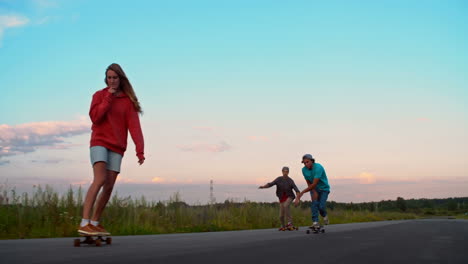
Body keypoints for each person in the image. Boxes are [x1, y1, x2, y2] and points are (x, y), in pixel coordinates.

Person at [78, 63, 145, 236]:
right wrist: (108, 97)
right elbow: (95, 118)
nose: (112, 81)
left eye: (115, 78)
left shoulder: (128, 102)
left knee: (108, 186)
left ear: (120, 79)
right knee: (99, 179)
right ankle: (84, 222)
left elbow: (134, 127)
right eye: (109, 78)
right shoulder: (99, 95)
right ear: (106, 79)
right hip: (99, 142)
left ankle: (95, 222)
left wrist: (140, 150)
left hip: (117, 147)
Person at [294, 154, 330, 228]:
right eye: (304, 163)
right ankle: (315, 222)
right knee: (314, 204)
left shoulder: (318, 167)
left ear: (312, 161)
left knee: (321, 207)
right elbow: (309, 183)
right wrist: (313, 191)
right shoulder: (304, 170)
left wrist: (302, 193)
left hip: (324, 189)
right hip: (313, 188)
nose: (306, 164)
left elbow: (314, 183)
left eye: (307, 162)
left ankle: (324, 215)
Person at [259, 166, 300, 230]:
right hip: (281, 198)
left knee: (286, 205)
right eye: (284, 171)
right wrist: (264, 187)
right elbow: (271, 184)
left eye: (286, 171)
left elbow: (296, 190)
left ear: (288, 172)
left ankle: (290, 223)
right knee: (281, 216)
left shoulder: (290, 181)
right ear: (282, 172)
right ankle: (283, 226)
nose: (285, 173)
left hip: (290, 197)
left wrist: (297, 199)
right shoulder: (279, 179)